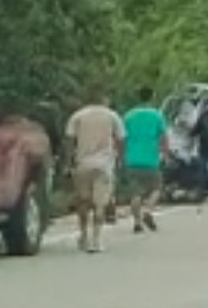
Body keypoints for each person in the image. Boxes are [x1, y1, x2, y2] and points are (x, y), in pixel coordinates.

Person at [65, 90, 125, 253]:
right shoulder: (112, 116)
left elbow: (70, 140)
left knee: (83, 201)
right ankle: (96, 239)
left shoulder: (78, 116)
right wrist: (119, 158)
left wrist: (68, 162)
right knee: (100, 204)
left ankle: (83, 235)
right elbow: (121, 139)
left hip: (83, 164)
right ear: (104, 99)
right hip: (104, 165)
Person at [123, 86, 168, 233]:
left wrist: (121, 155)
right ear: (152, 97)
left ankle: (137, 222)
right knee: (156, 188)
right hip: (151, 159)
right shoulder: (157, 115)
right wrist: (164, 153)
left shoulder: (129, 116)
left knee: (135, 193)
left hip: (132, 158)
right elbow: (163, 137)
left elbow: (122, 137)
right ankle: (148, 211)